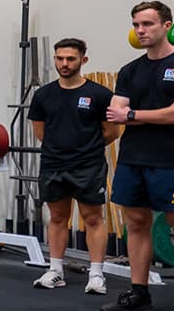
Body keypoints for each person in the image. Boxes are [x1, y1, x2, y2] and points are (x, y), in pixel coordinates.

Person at [101, 1, 174, 311]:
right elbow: (114, 114)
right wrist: (140, 116)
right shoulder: (130, 71)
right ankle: (139, 292)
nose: (141, 30)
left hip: (172, 159)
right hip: (133, 158)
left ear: (167, 25)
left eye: (147, 24)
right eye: (136, 25)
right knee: (135, 224)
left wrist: (134, 115)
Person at [28, 37, 118, 294]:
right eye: (60, 58)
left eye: (70, 59)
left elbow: (112, 132)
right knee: (57, 217)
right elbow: (41, 132)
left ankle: (97, 274)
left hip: (88, 166)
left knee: (92, 218)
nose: (64, 64)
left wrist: (84, 146)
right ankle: (55, 270)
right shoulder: (43, 95)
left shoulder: (100, 95)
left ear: (83, 60)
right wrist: (63, 147)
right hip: (53, 165)